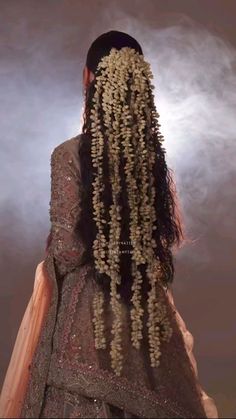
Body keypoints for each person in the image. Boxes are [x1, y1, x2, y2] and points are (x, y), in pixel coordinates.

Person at [0, 30, 218, 418]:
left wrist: (53, 251)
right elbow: (158, 240)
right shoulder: (150, 159)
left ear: (87, 78)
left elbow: (68, 251)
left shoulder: (69, 155)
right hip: (143, 309)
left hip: (86, 324)